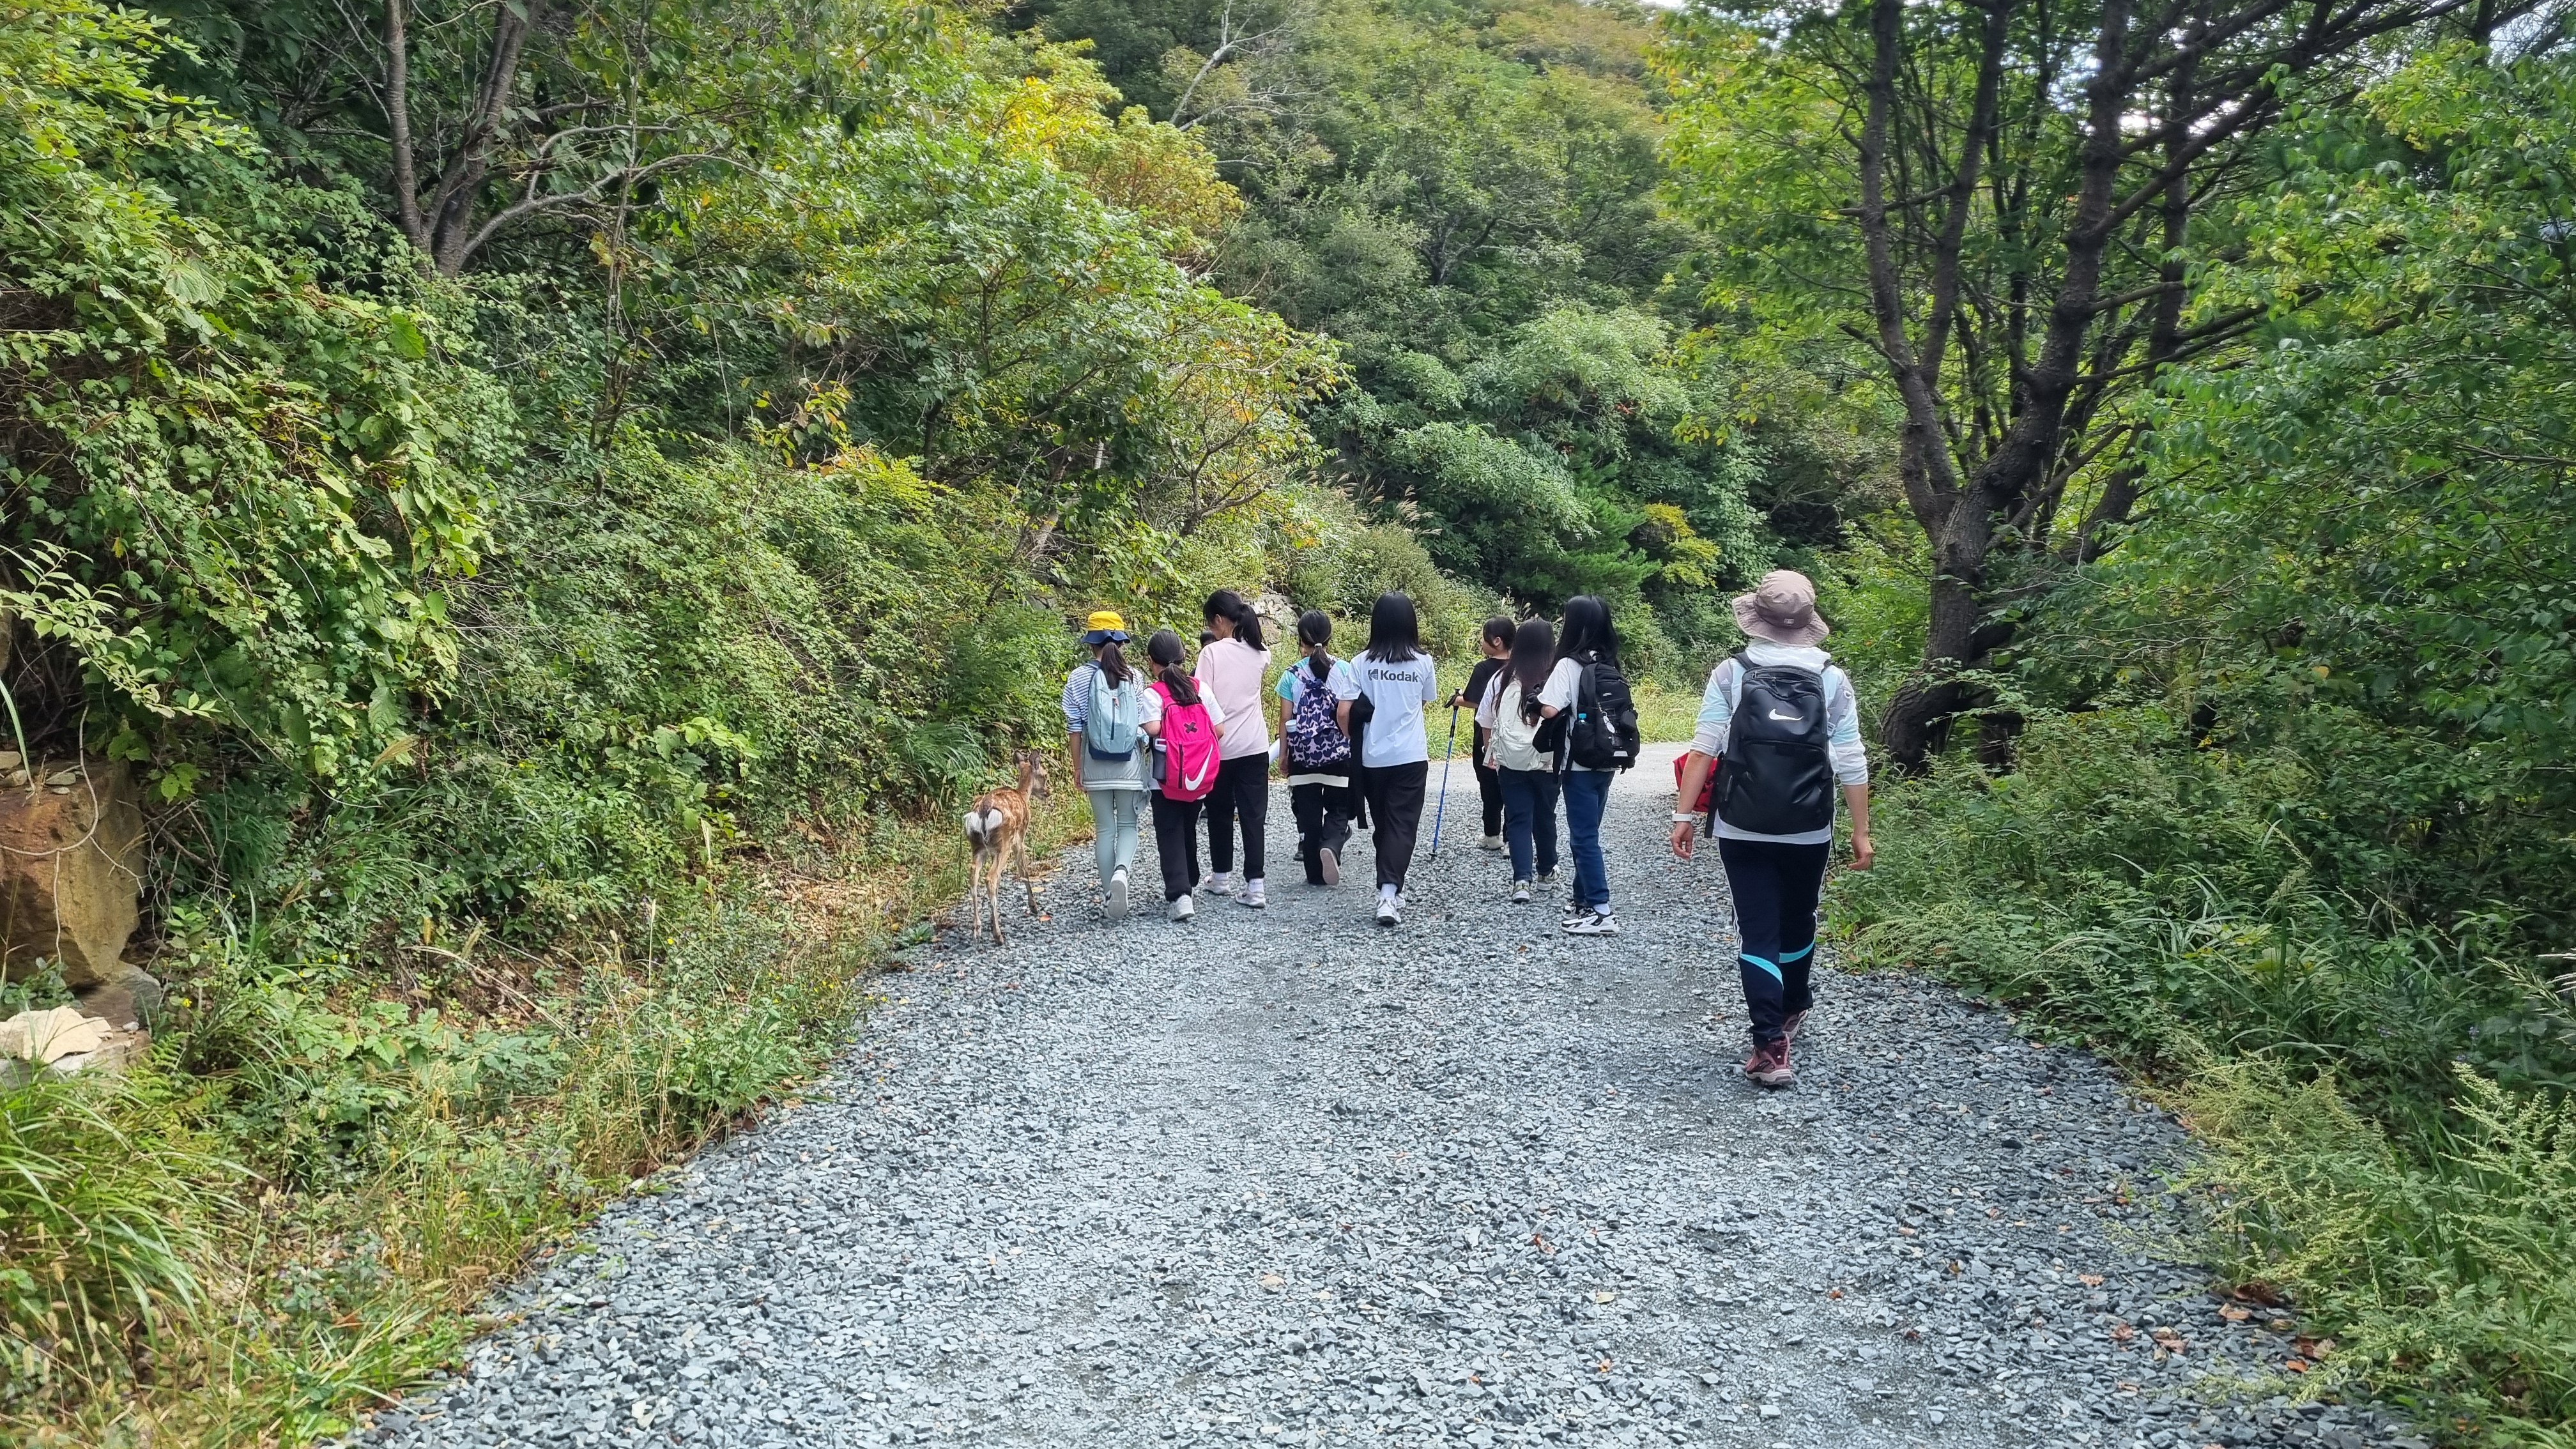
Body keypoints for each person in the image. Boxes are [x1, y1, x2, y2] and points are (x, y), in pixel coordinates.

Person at [1669, 570, 1875, 1089]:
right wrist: (1861, 831)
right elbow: (1850, 759)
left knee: (1757, 928)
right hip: (1809, 825)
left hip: (1743, 822)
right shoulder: (1832, 678)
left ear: (1756, 619)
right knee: (1799, 917)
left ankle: (1770, 1046)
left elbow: (1704, 748)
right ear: (1808, 623)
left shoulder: (1732, 672)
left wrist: (1685, 814)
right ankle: (1793, 1005)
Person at [1331, 592, 1441, 926]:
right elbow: (1425, 701)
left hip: (1372, 757)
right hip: (1410, 756)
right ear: (1411, 623)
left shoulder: (1360, 663)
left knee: (1385, 822)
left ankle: (1390, 889)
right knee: (1402, 824)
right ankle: (1390, 893)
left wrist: (1355, 739)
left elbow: (1344, 711)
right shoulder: (1423, 662)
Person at [1537, 595, 1640, 937]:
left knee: (1583, 839)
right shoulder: (1610, 663)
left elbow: (1550, 709)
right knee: (1589, 834)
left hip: (1578, 762)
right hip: (1608, 760)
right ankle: (1582, 900)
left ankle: (1601, 910)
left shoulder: (1569, 665)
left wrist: (1536, 698)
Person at [1060, 610, 1150, 921]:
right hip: (1129, 762)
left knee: (1104, 828)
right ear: (1121, 641)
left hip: (1094, 762)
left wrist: (1077, 768)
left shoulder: (1078, 677)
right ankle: (1122, 874)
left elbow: (1075, 728)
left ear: (1091, 642)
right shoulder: (1135, 676)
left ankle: (1109, 893)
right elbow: (1140, 723)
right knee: (1127, 825)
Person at [1140, 627, 1225, 921]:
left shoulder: (1154, 693)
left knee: (1169, 832)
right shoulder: (1199, 689)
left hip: (1164, 779)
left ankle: (1180, 895)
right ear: (1183, 656)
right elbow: (1220, 729)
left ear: (1153, 661)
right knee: (1188, 827)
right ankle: (1190, 879)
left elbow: (1151, 728)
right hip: (1198, 776)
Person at [1197, 590, 1273, 908]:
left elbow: (1202, 700)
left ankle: (1222, 878)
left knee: (1219, 813)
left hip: (1221, 746)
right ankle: (1256, 887)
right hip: (1255, 745)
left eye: (1209, 623)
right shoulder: (1261, 652)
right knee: (1254, 816)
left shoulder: (1211, 655)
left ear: (1218, 620)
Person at [1478, 617, 1561, 904]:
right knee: (1545, 816)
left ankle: (1521, 881)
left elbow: (1485, 721)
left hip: (1511, 761)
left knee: (1518, 818)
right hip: (1547, 761)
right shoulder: (1556, 677)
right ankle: (1547, 872)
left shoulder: (1501, 678)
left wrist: (1493, 753)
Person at [1276, 610, 1358, 886]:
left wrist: (1285, 755)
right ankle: (1331, 847)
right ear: (1330, 637)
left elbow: (1285, 720)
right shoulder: (1346, 670)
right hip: (1339, 755)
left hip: (1303, 756)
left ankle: (1314, 874)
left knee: (1309, 816)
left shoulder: (1291, 675)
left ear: (1301, 641)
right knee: (1339, 809)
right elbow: (1350, 712)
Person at [1450, 617, 1514, 852]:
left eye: (1484, 638)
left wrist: (1456, 700)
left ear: (1496, 641)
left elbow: (1474, 701)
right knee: (1514, 789)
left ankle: (1492, 835)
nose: (1481, 642)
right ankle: (1511, 839)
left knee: (1489, 787)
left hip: (1487, 737)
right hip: (1516, 737)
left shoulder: (1484, 668)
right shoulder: (1520, 666)